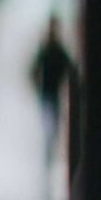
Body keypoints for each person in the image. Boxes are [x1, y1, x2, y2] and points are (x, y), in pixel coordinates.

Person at [30, 15, 76, 180]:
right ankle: (47, 160)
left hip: (51, 95)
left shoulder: (55, 49)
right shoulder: (49, 49)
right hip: (47, 95)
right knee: (49, 128)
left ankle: (48, 159)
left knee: (52, 129)